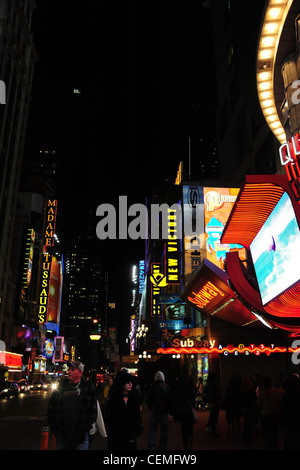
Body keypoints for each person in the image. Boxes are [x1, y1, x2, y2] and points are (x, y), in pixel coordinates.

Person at [47, 360, 97, 450]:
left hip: (80, 436)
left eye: (73, 370)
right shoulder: (61, 386)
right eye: (69, 369)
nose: (69, 371)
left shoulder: (88, 387)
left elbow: (93, 410)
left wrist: (85, 427)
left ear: (80, 373)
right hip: (62, 436)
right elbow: (51, 407)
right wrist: (54, 427)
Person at [105, 368, 142, 450]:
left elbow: (137, 417)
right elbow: (109, 417)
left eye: (131, 382)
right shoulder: (114, 399)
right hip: (116, 438)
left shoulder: (134, 399)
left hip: (130, 437)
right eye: (127, 382)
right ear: (122, 383)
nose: (130, 384)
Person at [171, 370, 196, 450]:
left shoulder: (179, 386)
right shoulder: (190, 385)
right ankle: (190, 445)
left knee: (184, 429)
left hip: (182, 410)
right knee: (190, 429)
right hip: (188, 409)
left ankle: (186, 445)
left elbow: (176, 399)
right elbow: (192, 397)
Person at [146, 371, 171, 450]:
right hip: (163, 411)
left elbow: (148, 399)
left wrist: (151, 407)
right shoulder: (166, 387)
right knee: (164, 430)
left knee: (152, 429)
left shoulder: (152, 387)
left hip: (154, 411)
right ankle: (163, 445)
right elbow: (169, 400)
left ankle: (152, 445)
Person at [203, 373, 221, 438]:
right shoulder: (214, 385)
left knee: (212, 415)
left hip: (210, 401)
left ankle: (209, 427)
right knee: (215, 416)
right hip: (214, 401)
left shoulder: (207, 384)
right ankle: (213, 430)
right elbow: (215, 393)